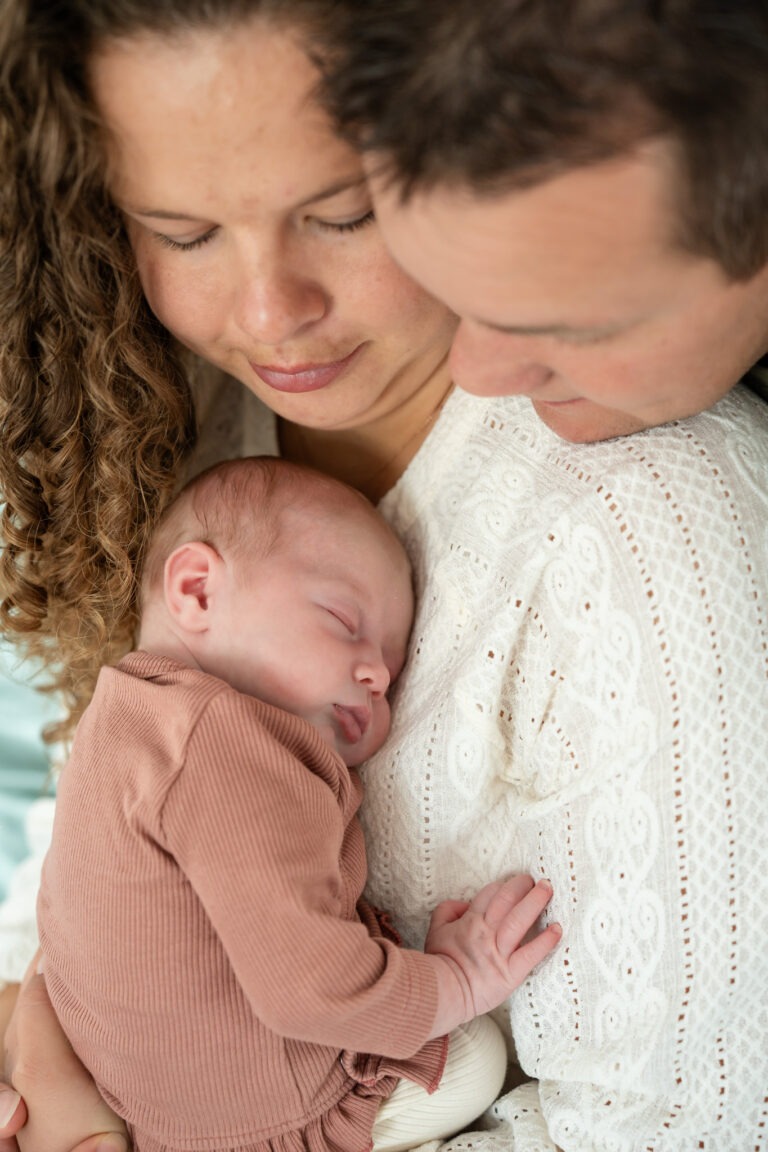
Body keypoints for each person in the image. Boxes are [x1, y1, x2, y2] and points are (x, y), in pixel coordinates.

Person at [0, 2, 767, 1151]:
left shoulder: (643, 530)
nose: (270, 316)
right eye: (183, 231)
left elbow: (677, 1124)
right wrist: (35, 1035)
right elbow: (101, 844)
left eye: (345, 213)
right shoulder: (185, 433)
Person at [38, 454, 559, 1152]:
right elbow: (311, 990)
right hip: (256, 1130)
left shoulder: (120, 720)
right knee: (473, 1062)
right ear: (196, 591)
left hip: (130, 1102)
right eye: (344, 620)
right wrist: (457, 980)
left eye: (392, 671)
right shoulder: (223, 737)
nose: (376, 672)